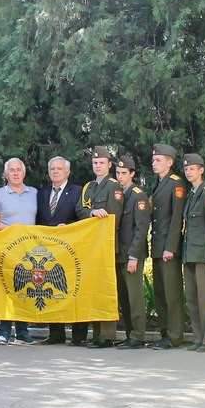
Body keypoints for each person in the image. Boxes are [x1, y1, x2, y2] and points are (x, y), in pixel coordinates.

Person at [76, 147, 123, 348]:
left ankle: (107, 334)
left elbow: (115, 217)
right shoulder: (89, 186)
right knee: (94, 289)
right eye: (95, 163)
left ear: (109, 165)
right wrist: (92, 212)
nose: (98, 166)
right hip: (91, 246)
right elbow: (80, 209)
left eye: (102, 163)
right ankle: (97, 334)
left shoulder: (113, 186)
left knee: (106, 289)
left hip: (106, 245)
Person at [0, 157, 38, 345]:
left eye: (19, 170)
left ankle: (22, 332)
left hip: (29, 251)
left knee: (25, 288)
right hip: (7, 248)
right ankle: (3, 332)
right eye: (12, 170)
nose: (16, 173)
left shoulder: (34, 193)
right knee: (6, 289)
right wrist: (14, 232)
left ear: (24, 173)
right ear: (6, 174)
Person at [38, 155, 84, 345]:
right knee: (52, 289)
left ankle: (79, 336)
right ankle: (56, 334)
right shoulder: (42, 193)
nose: (55, 172)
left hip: (72, 247)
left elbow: (83, 218)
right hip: (49, 250)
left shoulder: (78, 191)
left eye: (59, 169)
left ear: (67, 172)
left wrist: (69, 227)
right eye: (52, 169)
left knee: (75, 290)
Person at [146, 144, 187, 350]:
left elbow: (176, 218)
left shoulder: (175, 183)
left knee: (172, 293)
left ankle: (174, 335)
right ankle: (165, 333)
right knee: (160, 293)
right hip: (158, 246)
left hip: (168, 248)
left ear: (170, 162)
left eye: (158, 160)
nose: (154, 163)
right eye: (153, 160)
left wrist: (171, 247)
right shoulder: (158, 183)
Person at [179, 153, 205, 352]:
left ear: (201, 170)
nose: (188, 172)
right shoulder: (191, 195)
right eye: (186, 169)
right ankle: (198, 338)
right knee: (192, 298)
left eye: (192, 169)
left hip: (203, 256)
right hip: (189, 254)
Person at [112, 156, 151, 349]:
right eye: (118, 173)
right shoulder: (118, 194)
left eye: (124, 173)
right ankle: (130, 334)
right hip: (119, 253)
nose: (120, 177)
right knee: (124, 297)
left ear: (132, 174)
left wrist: (134, 256)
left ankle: (138, 336)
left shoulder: (138, 196)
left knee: (134, 297)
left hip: (132, 255)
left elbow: (141, 229)